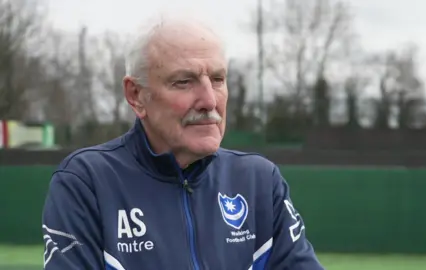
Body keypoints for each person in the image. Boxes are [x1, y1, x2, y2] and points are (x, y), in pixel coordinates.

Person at [41, 14, 324, 270]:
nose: (209, 101)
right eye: (184, 82)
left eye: (217, 79)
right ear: (136, 95)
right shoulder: (87, 182)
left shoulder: (259, 181)